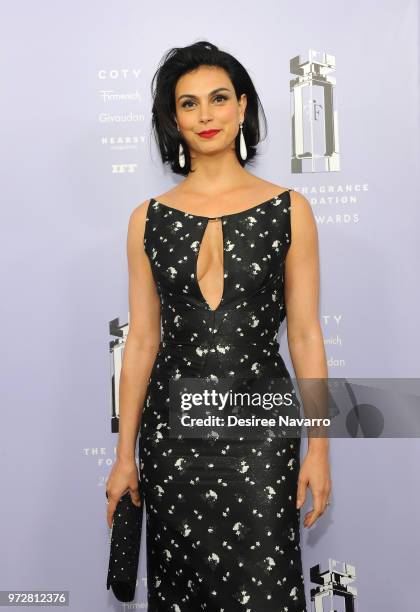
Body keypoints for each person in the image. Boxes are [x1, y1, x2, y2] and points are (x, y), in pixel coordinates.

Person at [106, 40, 331, 611]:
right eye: (188, 104)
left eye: (219, 99)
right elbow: (142, 344)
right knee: (182, 592)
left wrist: (320, 447)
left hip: (262, 433)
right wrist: (124, 456)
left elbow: (305, 337)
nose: (205, 115)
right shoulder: (146, 220)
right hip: (171, 438)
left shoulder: (290, 209)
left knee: (266, 588)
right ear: (173, 119)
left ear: (243, 107)